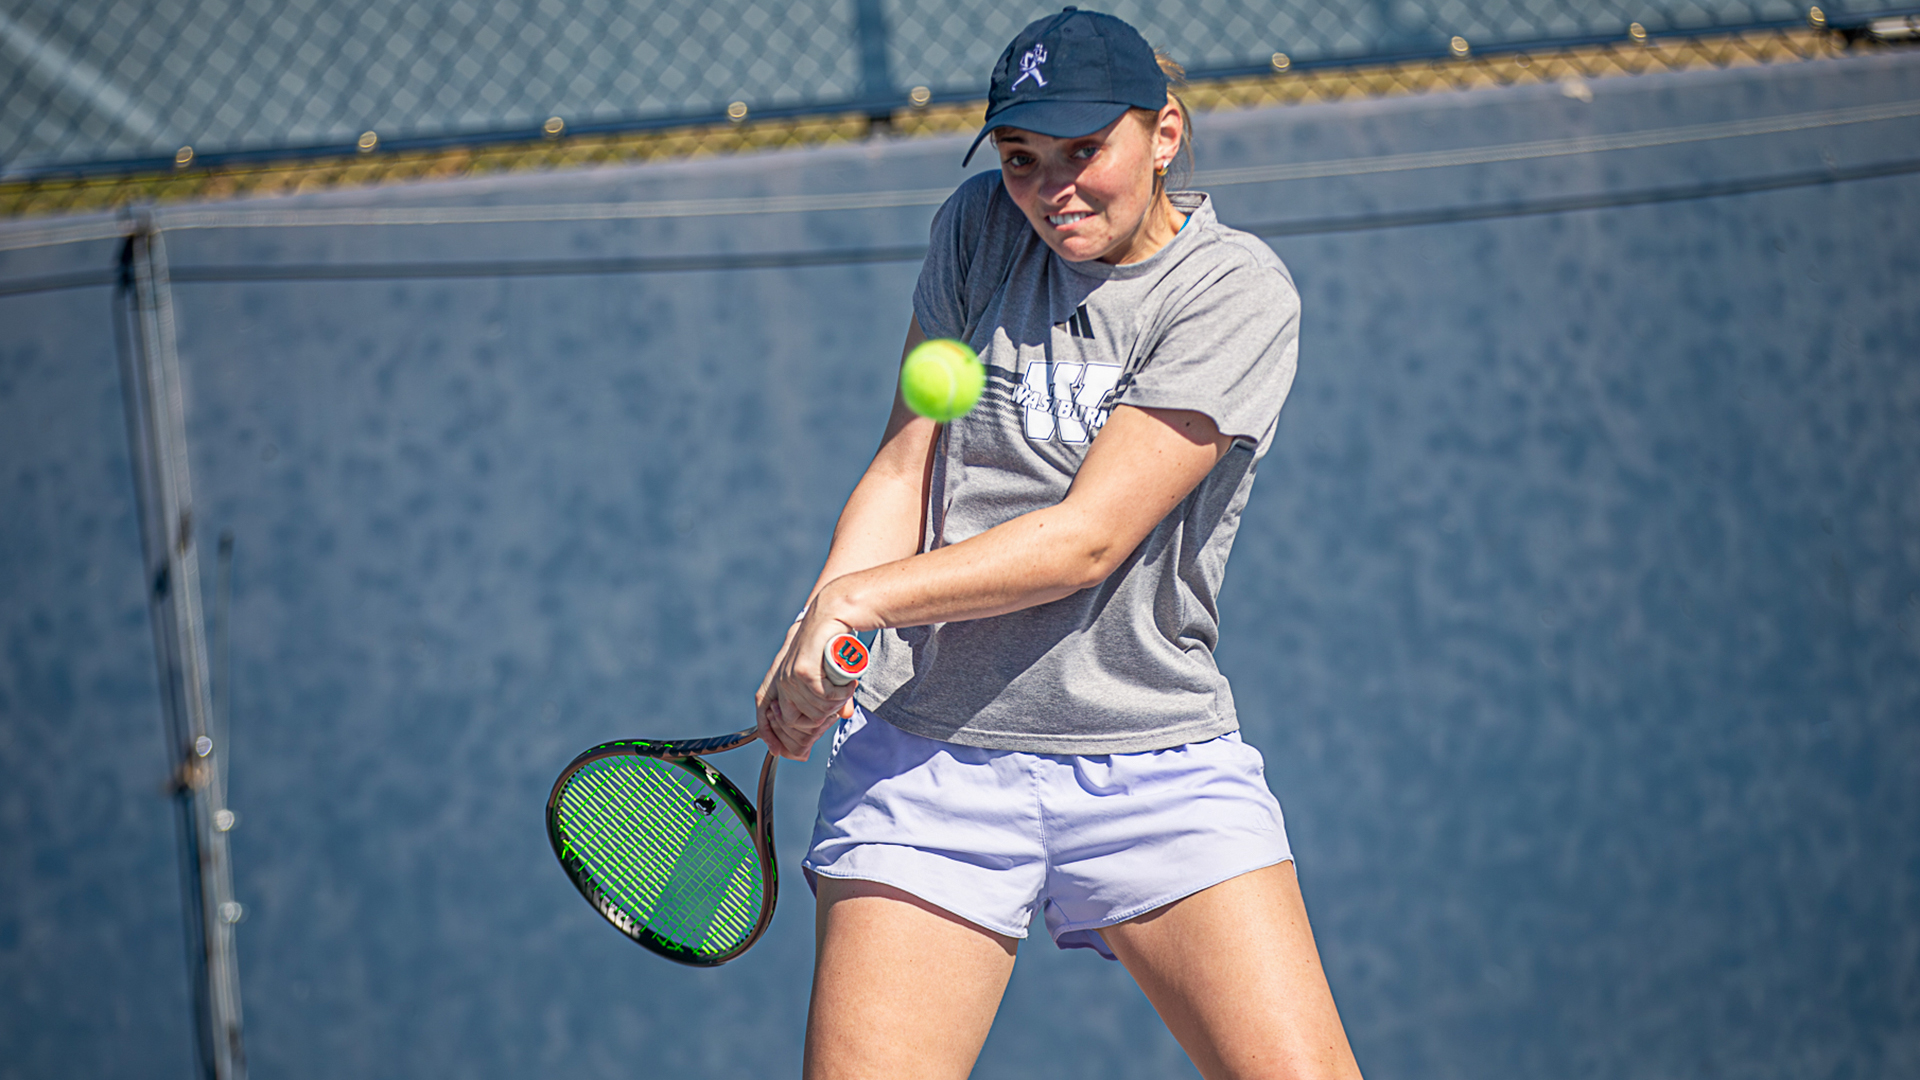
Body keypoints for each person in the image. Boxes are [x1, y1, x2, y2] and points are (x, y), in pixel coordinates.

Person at [756, 9, 1363, 1079]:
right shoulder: (978, 230)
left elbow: (1086, 542)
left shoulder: (1234, 291)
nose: (1052, 190)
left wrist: (861, 603)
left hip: (1153, 765)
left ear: (1164, 134)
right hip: (927, 762)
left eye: (1086, 153)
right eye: (1022, 157)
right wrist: (825, 619)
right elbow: (906, 466)